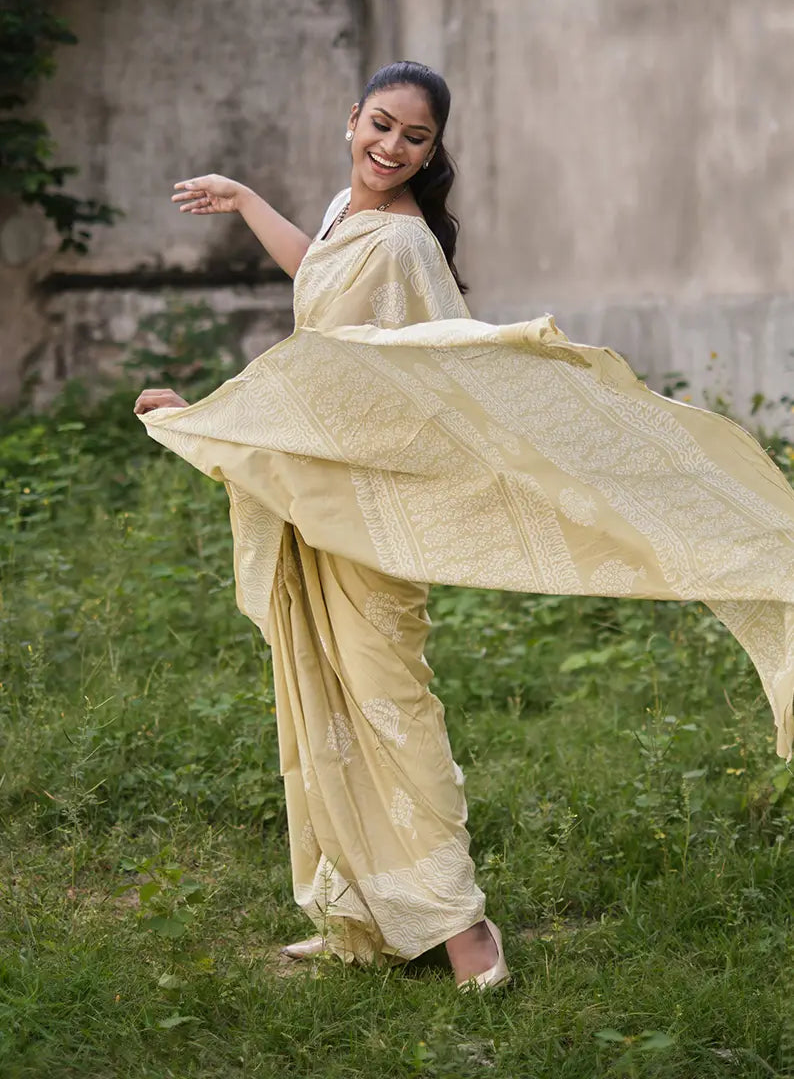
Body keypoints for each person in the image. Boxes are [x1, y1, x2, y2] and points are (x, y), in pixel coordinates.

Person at [134, 60, 794, 991]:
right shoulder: (345, 214)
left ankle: (462, 926)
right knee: (324, 705)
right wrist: (246, 200)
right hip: (318, 499)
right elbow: (320, 285)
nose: (392, 148)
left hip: (369, 513)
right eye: (380, 124)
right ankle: (360, 910)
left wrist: (203, 412)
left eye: (416, 137)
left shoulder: (407, 249)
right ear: (350, 120)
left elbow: (396, 383)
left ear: (434, 150)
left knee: (390, 709)